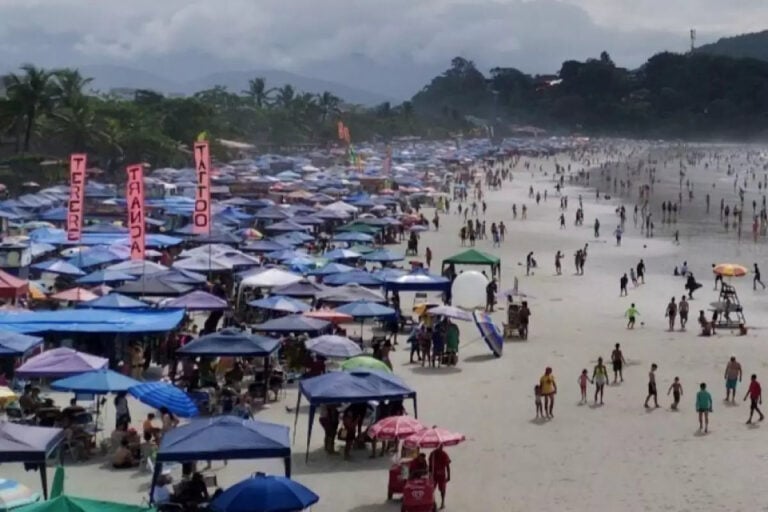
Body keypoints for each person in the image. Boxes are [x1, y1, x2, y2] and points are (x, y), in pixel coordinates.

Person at [429, 445, 452, 509]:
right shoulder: (432, 454)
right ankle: (431, 502)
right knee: (431, 490)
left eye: (441, 447)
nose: (441, 448)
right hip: (434, 475)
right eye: (440, 447)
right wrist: (429, 475)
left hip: (442, 476)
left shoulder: (444, 454)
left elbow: (447, 466)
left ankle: (442, 502)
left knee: (442, 490)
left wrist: (449, 475)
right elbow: (430, 466)